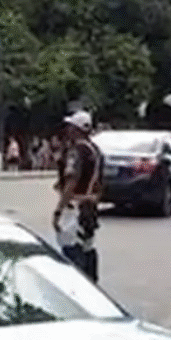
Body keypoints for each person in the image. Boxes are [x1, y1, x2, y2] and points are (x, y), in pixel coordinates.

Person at [52, 110, 104, 282]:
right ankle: (91, 285)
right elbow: (99, 183)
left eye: (71, 127)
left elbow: (72, 181)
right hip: (89, 208)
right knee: (88, 247)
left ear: (76, 129)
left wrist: (58, 211)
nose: (68, 130)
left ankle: (76, 287)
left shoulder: (76, 151)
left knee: (71, 249)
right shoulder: (96, 151)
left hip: (74, 208)